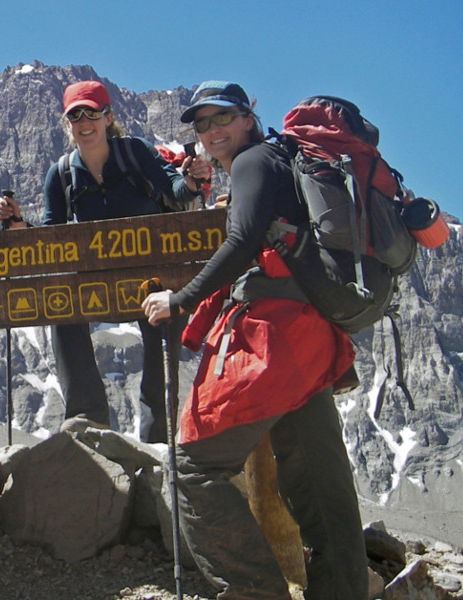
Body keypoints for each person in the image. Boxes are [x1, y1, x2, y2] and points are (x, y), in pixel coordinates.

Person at [142, 81, 367, 598]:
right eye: (201, 124)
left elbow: (242, 243)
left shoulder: (251, 162)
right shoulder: (280, 161)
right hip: (313, 337)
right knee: (317, 480)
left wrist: (180, 299)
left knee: (191, 471)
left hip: (274, 338)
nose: (212, 130)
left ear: (247, 117)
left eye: (222, 117)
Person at [0, 80, 212, 443]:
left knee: (163, 330)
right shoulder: (61, 173)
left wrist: (190, 183)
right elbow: (54, 237)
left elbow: (172, 188)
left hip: (152, 276)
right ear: (66, 124)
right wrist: (18, 225)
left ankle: (157, 438)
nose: (84, 122)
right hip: (99, 280)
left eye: (91, 113)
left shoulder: (134, 153)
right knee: (61, 309)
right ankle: (87, 419)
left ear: (107, 117)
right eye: (74, 115)